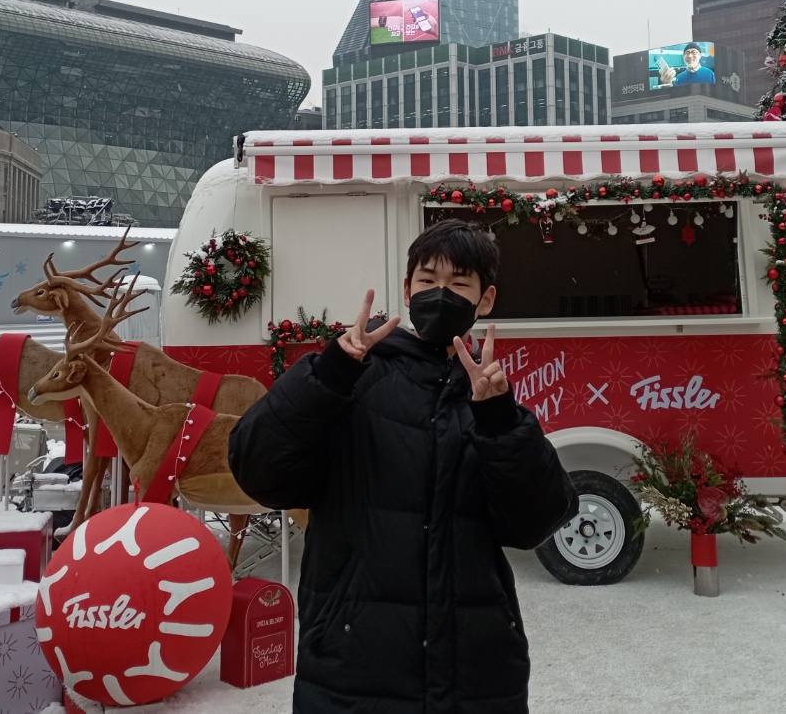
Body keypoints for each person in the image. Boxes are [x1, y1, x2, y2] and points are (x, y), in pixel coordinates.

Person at [228, 219, 579, 713]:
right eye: (428, 280)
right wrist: (328, 373)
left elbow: (534, 523)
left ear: (485, 299)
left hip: (475, 669)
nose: (441, 294)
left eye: (459, 283)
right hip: (353, 665)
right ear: (408, 289)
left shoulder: (488, 401)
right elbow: (259, 471)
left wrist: (500, 422)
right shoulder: (353, 380)